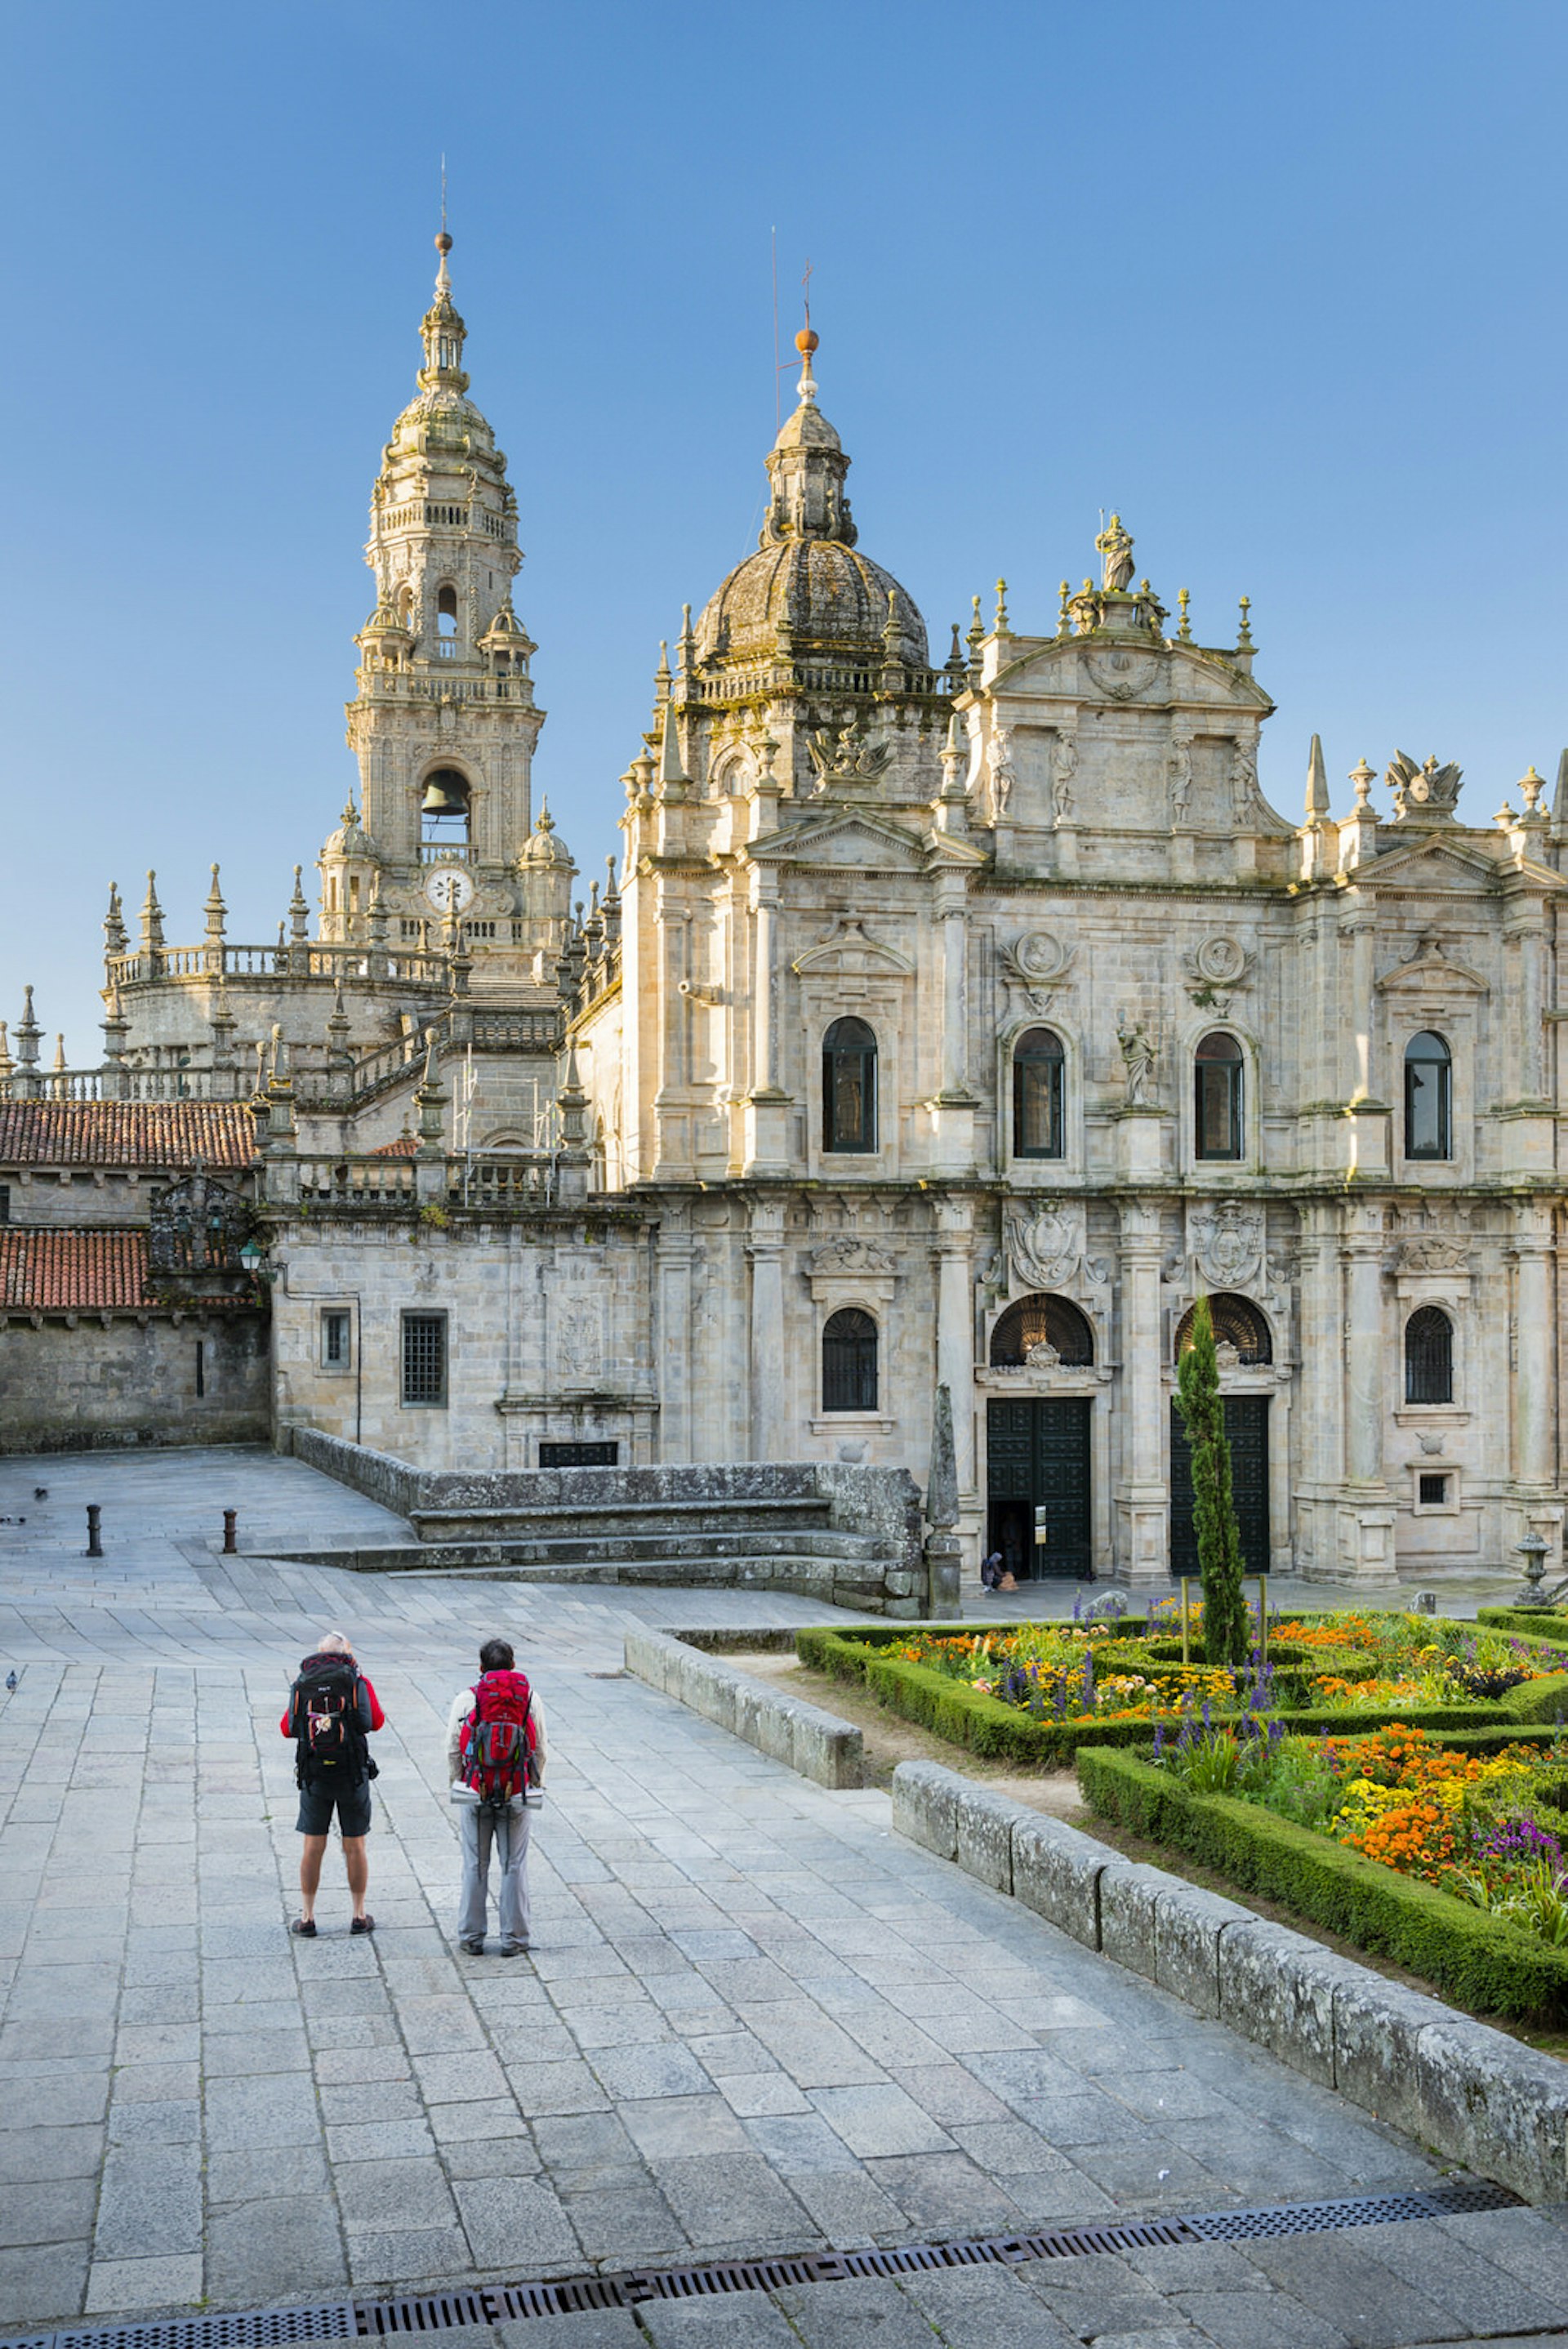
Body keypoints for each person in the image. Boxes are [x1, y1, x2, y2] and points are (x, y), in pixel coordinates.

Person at [279, 1630, 384, 1938]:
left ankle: (308, 1917)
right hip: (352, 1772)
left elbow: (288, 1728)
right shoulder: (357, 1683)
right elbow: (373, 1722)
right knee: (355, 1845)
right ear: (347, 1652)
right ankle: (358, 1915)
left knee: (313, 1845)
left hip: (315, 1773)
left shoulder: (302, 1683)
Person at [447, 1637, 546, 1957]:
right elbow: (540, 1748)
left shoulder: (467, 1698)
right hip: (514, 1789)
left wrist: (460, 1781)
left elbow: (452, 1748)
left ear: (480, 1668)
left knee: (475, 1864)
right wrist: (533, 1782)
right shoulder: (529, 1697)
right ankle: (514, 1939)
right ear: (514, 1665)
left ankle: (471, 1937)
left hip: (477, 1789)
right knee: (514, 1864)